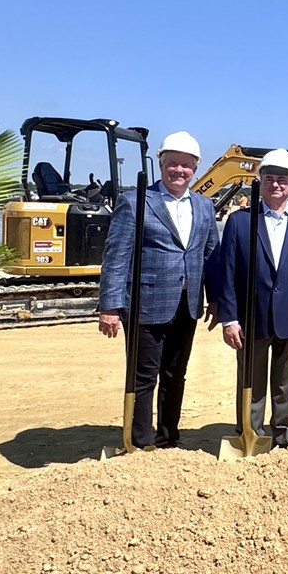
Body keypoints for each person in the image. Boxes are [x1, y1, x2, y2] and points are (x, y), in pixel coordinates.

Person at [96, 131, 218, 449]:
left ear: (195, 169)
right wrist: (109, 306)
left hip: (188, 304)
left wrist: (217, 299)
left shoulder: (205, 207)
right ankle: (140, 440)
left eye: (186, 166)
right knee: (143, 376)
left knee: (175, 374)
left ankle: (167, 438)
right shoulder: (136, 202)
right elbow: (117, 256)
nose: (179, 171)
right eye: (173, 164)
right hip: (145, 303)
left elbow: (211, 257)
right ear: (161, 165)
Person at [212, 149, 288, 448]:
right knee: (252, 380)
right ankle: (250, 434)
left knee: (286, 384)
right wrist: (230, 318)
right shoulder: (239, 222)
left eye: (283, 180)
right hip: (252, 314)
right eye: (270, 179)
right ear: (260, 181)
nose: (276, 185)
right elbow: (228, 273)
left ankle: (285, 435)